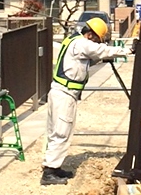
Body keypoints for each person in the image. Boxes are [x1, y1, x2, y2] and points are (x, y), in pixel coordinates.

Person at [41, 17, 131, 186]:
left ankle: (54, 166)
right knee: (62, 131)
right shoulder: (82, 44)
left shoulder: (73, 40)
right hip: (65, 94)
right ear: (91, 35)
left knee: (56, 130)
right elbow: (100, 51)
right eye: (97, 39)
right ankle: (49, 172)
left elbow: (92, 54)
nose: (98, 43)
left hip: (60, 92)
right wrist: (127, 50)